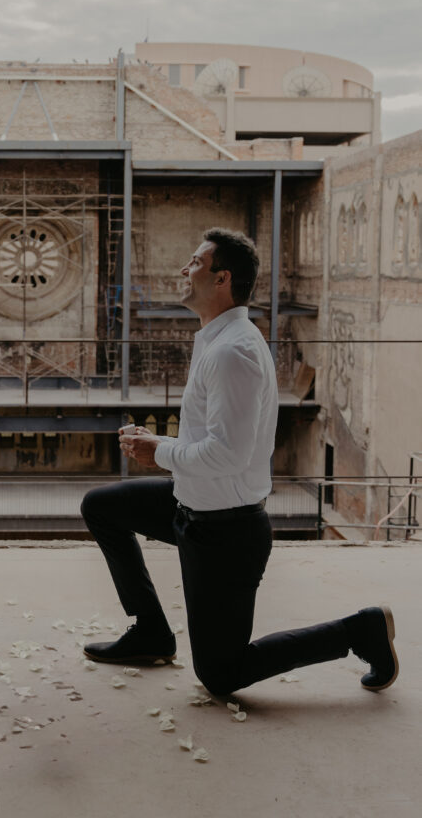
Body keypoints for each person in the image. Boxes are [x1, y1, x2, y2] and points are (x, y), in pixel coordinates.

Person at [81, 228, 398, 696]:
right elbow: (215, 438)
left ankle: (361, 631)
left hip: (225, 533)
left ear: (222, 278)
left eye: (194, 262)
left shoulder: (233, 352)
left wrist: (159, 451)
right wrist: (159, 440)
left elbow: (227, 454)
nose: (183, 269)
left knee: (221, 674)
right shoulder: (216, 338)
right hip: (190, 506)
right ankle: (150, 631)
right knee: (102, 506)